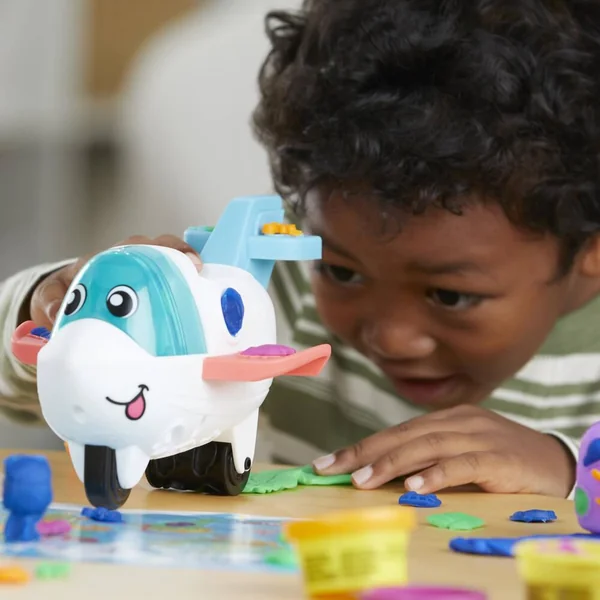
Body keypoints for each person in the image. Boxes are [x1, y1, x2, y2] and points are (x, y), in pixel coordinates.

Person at [3, 0, 600, 499]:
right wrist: (64, 317)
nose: (390, 337)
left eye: (449, 295)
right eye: (341, 272)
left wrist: (570, 470)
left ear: (589, 249)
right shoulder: (269, 285)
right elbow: (22, 393)